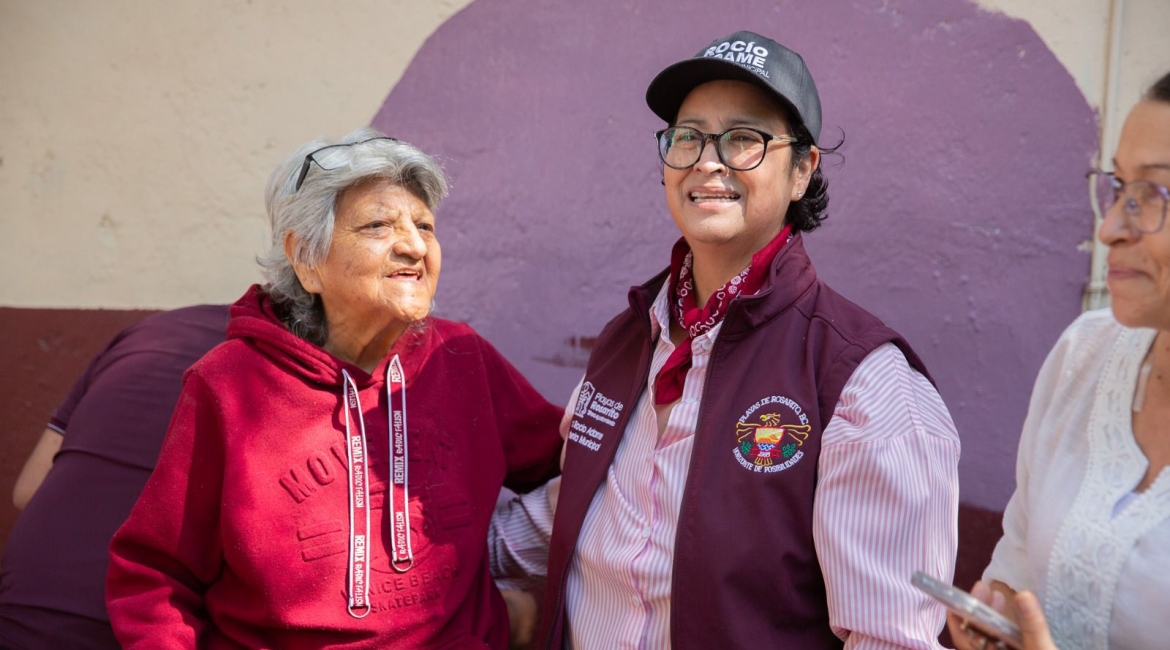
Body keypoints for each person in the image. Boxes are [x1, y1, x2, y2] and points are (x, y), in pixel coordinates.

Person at [490, 31, 961, 649]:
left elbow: (889, 638)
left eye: (744, 138)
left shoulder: (863, 383)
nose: (708, 161)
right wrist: (426, 558)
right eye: (688, 136)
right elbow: (583, 507)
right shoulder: (628, 339)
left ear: (802, 170)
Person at [105, 129, 564, 649]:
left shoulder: (459, 358)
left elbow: (576, 461)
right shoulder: (228, 384)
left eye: (424, 226)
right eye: (378, 226)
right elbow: (156, 577)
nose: (415, 246)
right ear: (306, 258)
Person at [948, 71, 1170, 650]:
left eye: (1153, 195)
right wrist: (996, 623)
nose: (1109, 227)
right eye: (1118, 187)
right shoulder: (1086, 355)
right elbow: (1018, 561)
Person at [0, 305, 229, 650]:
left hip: (22, 612)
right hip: (139, 631)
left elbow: (28, 490)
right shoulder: (284, 368)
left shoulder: (154, 330)